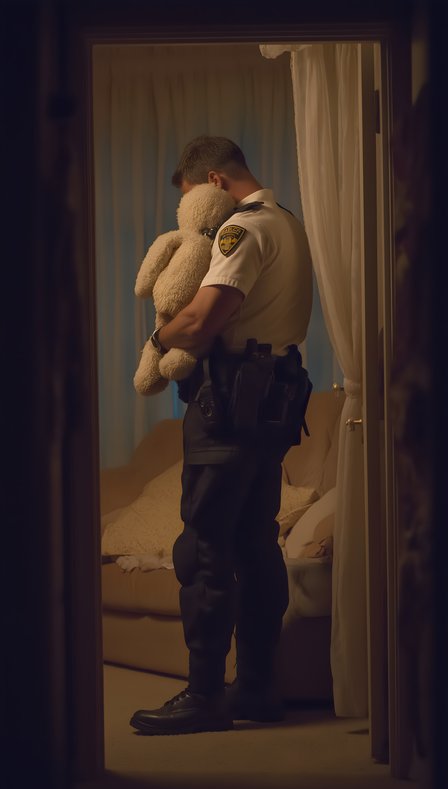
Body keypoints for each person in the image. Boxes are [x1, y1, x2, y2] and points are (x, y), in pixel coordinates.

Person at [130, 135, 313, 735]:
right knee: (256, 545)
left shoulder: (242, 228)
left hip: (230, 402)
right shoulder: (287, 221)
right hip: (274, 400)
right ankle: (257, 689)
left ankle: (204, 696)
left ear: (212, 181)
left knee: (204, 549)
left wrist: (157, 342)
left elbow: (204, 316)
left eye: (191, 199)